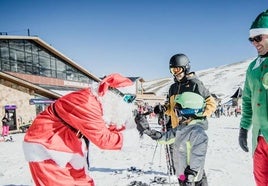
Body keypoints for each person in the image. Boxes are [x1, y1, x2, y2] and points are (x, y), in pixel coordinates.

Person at [23, 73, 140, 186]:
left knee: (81, 181)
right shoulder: (87, 103)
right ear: (112, 93)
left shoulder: (99, 102)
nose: (129, 104)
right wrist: (135, 135)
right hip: (46, 143)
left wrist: (132, 126)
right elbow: (103, 139)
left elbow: (103, 125)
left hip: (68, 141)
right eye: (128, 98)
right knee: (59, 182)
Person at [154, 53, 216, 186]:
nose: (176, 73)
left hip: (192, 130)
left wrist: (196, 115)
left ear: (186, 68)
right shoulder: (173, 87)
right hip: (177, 131)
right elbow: (171, 108)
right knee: (181, 167)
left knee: (194, 166)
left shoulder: (195, 84)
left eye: (178, 69)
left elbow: (211, 104)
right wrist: (163, 109)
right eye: (172, 70)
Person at [238, 9, 268, 186]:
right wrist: (244, 128)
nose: (254, 43)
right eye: (252, 39)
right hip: (259, 138)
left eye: (259, 38)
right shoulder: (252, 68)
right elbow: (247, 100)